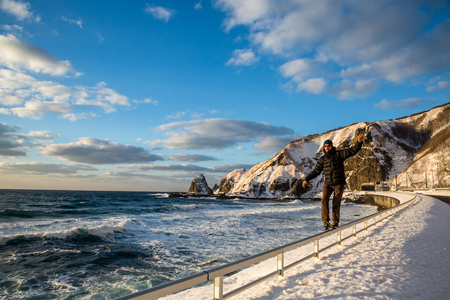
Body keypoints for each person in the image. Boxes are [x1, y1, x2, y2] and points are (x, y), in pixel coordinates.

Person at [302, 133, 364, 230]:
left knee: (336, 202)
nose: (327, 147)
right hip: (328, 183)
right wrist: (306, 179)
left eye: (328, 146)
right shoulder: (323, 159)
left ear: (331, 146)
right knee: (324, 200)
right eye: (325, 146)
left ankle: (335, 222)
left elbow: (352, 151)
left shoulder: (339, 154)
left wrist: (359, 142)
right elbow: (316, 171)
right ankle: (326, 222)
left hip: (339, 183)